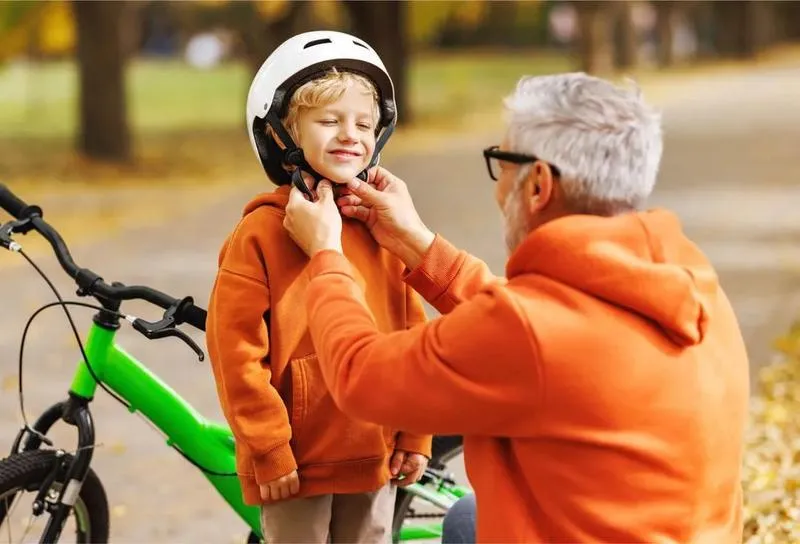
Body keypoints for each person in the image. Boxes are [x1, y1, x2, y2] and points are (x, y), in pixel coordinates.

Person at [281, 72, 751, 542]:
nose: (498, 186)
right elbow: (541, 324)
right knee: (467, 517)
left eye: (501, 161)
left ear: (538, 185)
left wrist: (326, 254)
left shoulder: (526, 331)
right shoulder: (691, 282)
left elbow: (360, 376)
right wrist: (414, 243)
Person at [205, 30, 432, 543]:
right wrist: (267, 446)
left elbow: (411, 337)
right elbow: (235, 352)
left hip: (375, 453)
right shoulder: (260, 234)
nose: (350, 134)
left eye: (364, 124)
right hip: (295, 465)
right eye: (329, 121)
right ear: (284, 134)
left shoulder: (380, 226)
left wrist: (415, 432)